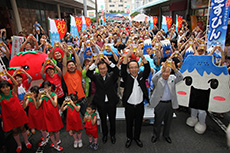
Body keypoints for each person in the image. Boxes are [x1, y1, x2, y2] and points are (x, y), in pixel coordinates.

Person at [121, 48, 150, 148]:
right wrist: (127, 56)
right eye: (131, 68)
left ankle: (137, 138)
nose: (133, 69)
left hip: (139, 106)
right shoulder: (127, 78)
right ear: (129, 69)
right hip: (129, 106)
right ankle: (129, 138)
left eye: (135, 67)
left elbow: (147, 68)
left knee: (138, 124)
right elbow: (123, 67)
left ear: (138, 68)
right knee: (129, 124)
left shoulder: (142, 76)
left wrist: (142, 56)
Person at [86, 55, 119, 144]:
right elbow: (88, 73)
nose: (103, 71)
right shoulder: (96, 76)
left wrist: (109, 62)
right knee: (103, 120)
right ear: (98, 69)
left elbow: (117, 71)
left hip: (111, 102)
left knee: (112, 120)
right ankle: (105, 135)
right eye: (100, 69)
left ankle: (112, 135)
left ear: (107, 69)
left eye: (104, 68)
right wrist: (94, 63)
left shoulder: (111, 76)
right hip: (101, 103)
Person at [150, 61, 183, 144]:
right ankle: (155, 135)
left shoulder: (173, 78)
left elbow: (181, 77)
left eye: (167, 71)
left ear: (170, 72)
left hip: (170, 104)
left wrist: (175, 69)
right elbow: (153, 79)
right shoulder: (158, 79)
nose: (165, 74)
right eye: (164, 72)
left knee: (168, 121)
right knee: (158, 121)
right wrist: (161, 70)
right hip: (159, 103)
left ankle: (166, 135)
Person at [0, 70, 31, 153]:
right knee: (15, 131)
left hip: (19, 114)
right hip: (9, 117)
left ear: (10, 87)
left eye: (7, 86)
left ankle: (26, 141)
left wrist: (8, 75)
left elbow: (16, 84)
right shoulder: (1, 97)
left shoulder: (13, 92)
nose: (6, 89)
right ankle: (19, 144)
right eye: (3, 87)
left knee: (22, 128)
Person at [37, 81, 63, 151]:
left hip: (54, 115)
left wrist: (49, 97)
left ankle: (57, 140)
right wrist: (38, 97)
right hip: (47, 116)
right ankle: (55, 145)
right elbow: (37, 105)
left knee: (57, 130)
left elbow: (55, 104)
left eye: (48, 87)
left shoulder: (54, 95)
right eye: (44, 87)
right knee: (51, 131)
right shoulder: (43, 97)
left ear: (51, 87)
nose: (46, 89)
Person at [62, 44, 87, 115]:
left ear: (75, 66)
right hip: (72, 101)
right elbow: (63, 65)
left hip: (82, 99)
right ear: (67, 67)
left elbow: (79, 64)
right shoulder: (66, 75)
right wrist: (64, 53)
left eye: (72, 65)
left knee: (85, 117)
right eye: (69, 65)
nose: (71, 66)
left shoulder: (79, 73)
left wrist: (75, 52)